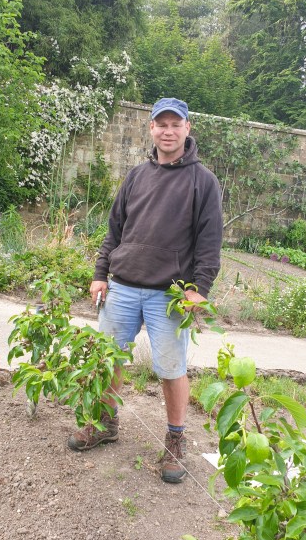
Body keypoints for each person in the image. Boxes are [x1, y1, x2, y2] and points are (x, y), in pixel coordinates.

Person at [68, 97, 223, 483]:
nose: (168, 131)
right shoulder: (137, 175)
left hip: (167, 295)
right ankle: (106, 424)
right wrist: (101, 272)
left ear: (188, 129)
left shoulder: (203, 182)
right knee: (108, 361)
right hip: (121, 286)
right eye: (161, 124)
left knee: (171, 369)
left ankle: (175, 440)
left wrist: (199, 288)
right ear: (151, 129)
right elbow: (115, 229)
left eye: (176, 124)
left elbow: (209, 243)